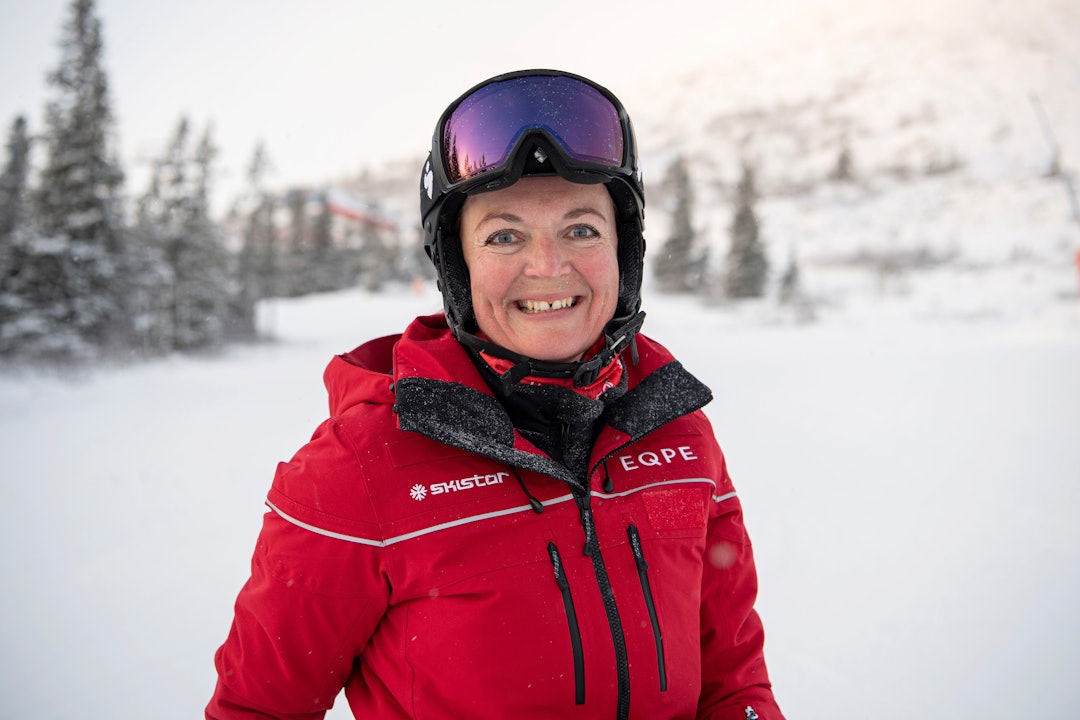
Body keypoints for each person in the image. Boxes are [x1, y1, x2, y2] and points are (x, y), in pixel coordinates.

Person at [207, 69, 785, 720]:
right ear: (458, 264)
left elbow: (733, 684)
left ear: (625, 251)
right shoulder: (362, 461)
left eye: (582, 229)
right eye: (504, 236)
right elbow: (257, 710)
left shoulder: (675, 429)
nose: (548, 265)